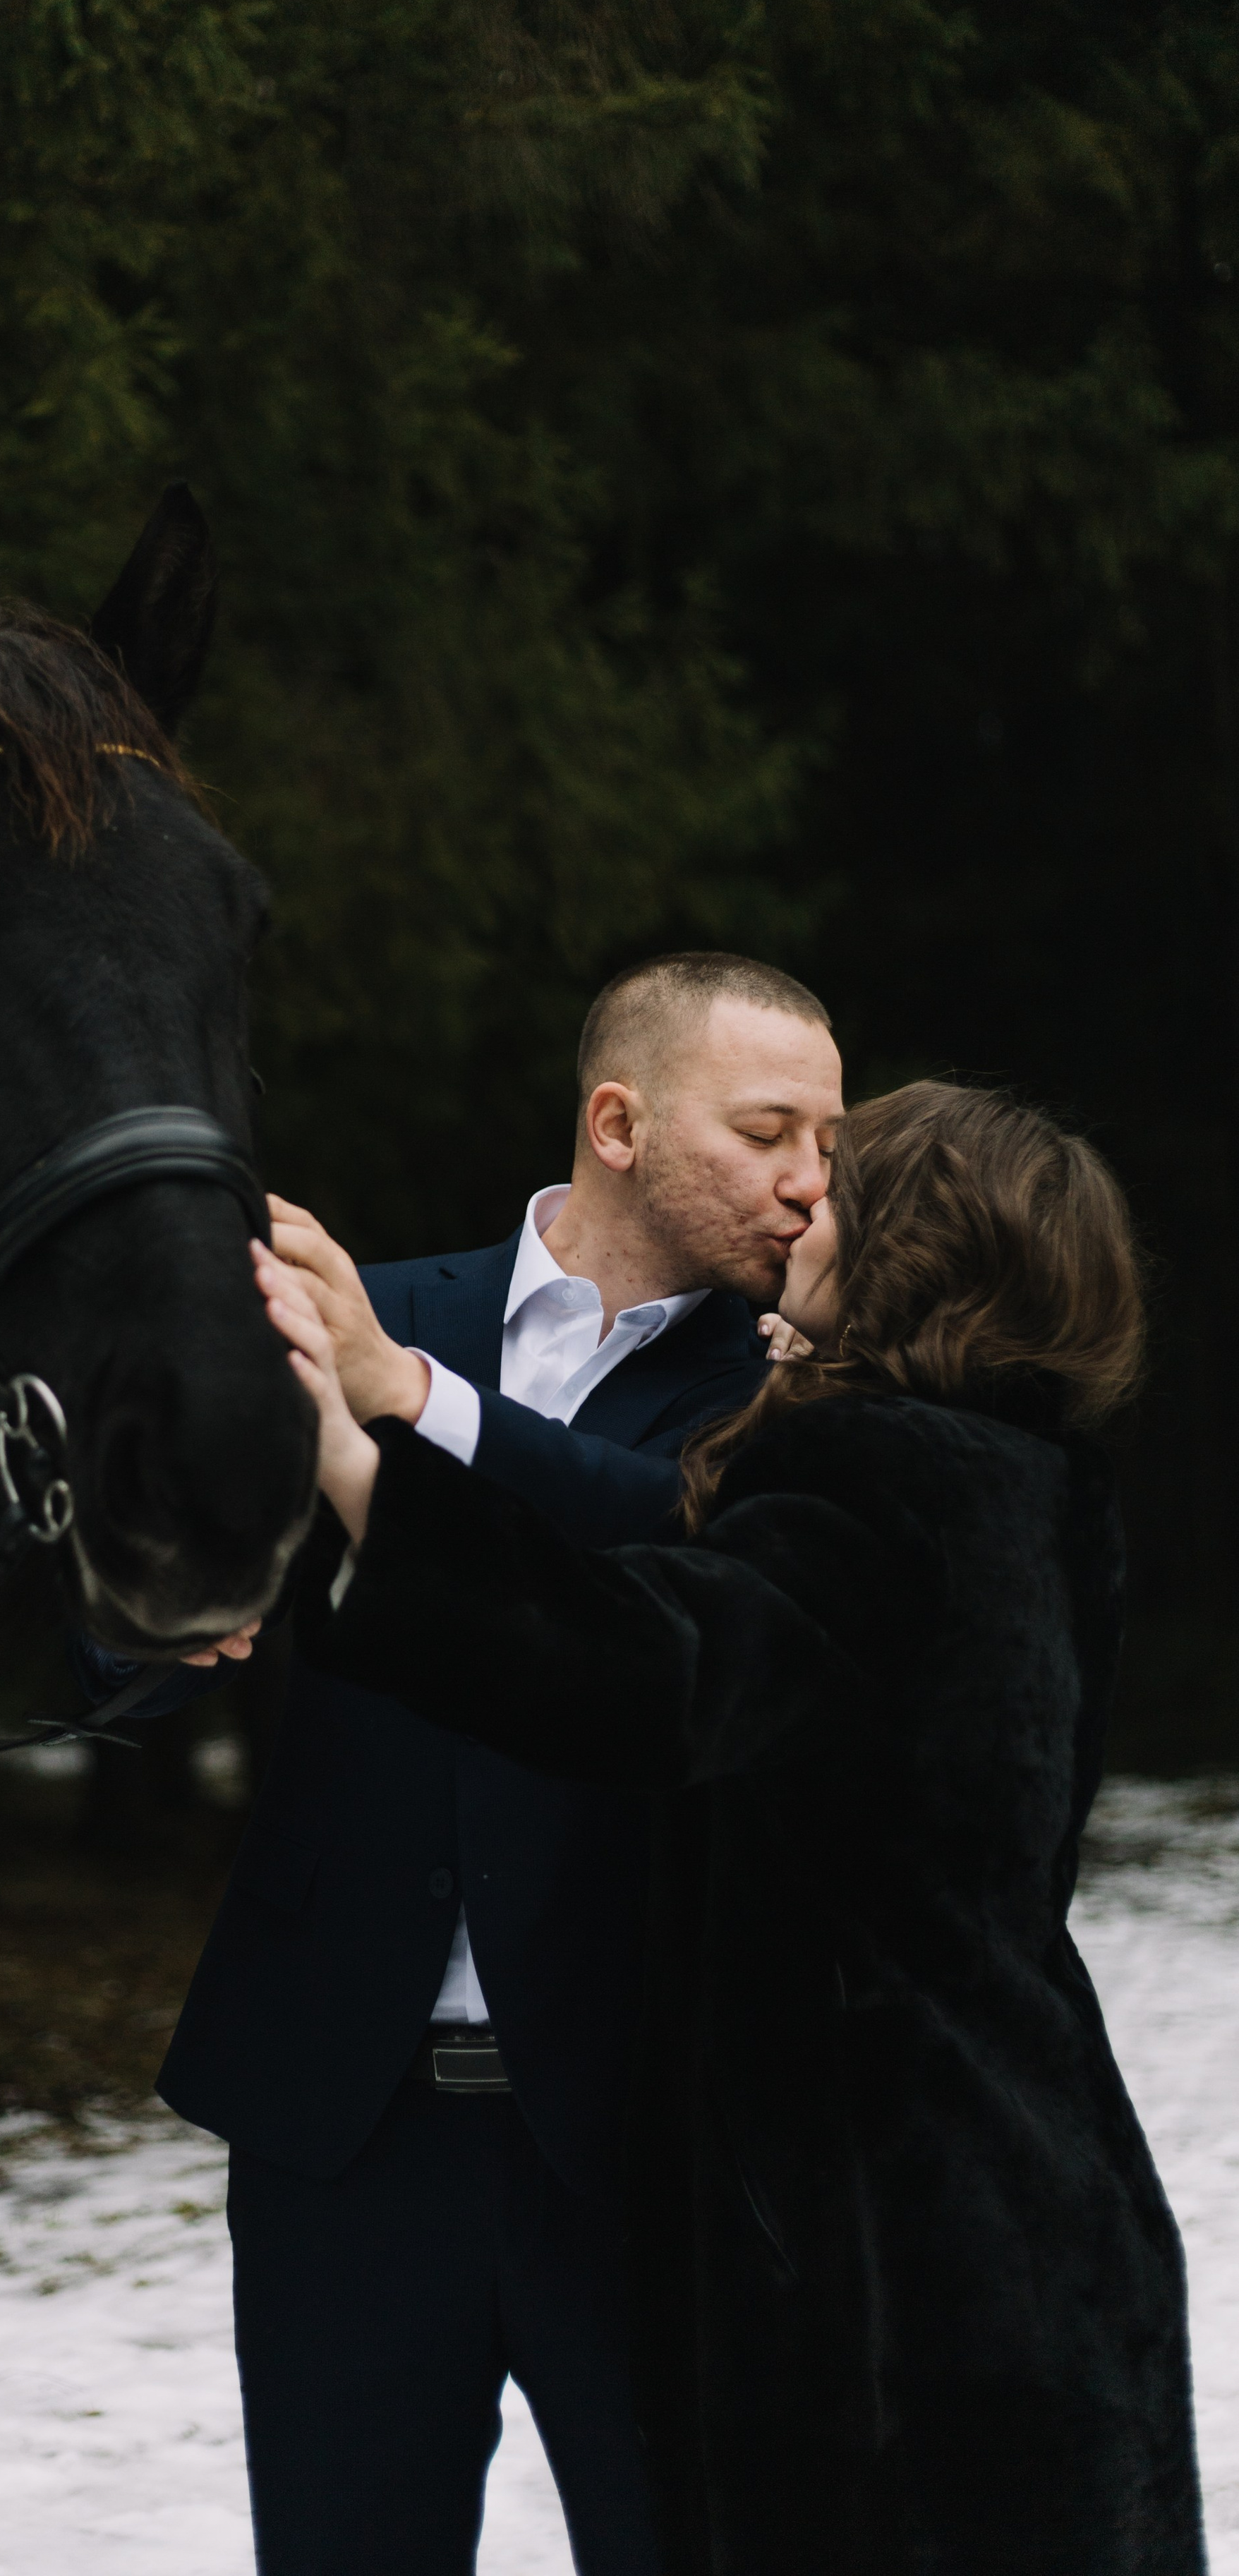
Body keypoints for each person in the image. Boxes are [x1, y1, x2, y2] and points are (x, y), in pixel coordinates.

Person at [260, 1079, 1203, 2576]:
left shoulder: (886, 1476)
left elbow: (647, 1668)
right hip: (1023, 2194)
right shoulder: (1026, 1479)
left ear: (914, 1245)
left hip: (893, 2256)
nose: (800, 1205)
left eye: (838, 1184)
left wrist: (349, 1458)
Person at [71, 951, 844, 2576]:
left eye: (826, 1146)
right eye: (768, 1130)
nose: (807, 1183)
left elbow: (652, 1550)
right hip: (336, 2125)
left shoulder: (788, 1396)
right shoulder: (373, 1309)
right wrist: (165, 1607)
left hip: (637, 2134)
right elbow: (127, 1622)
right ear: (617, 1123)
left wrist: (403, 1413)